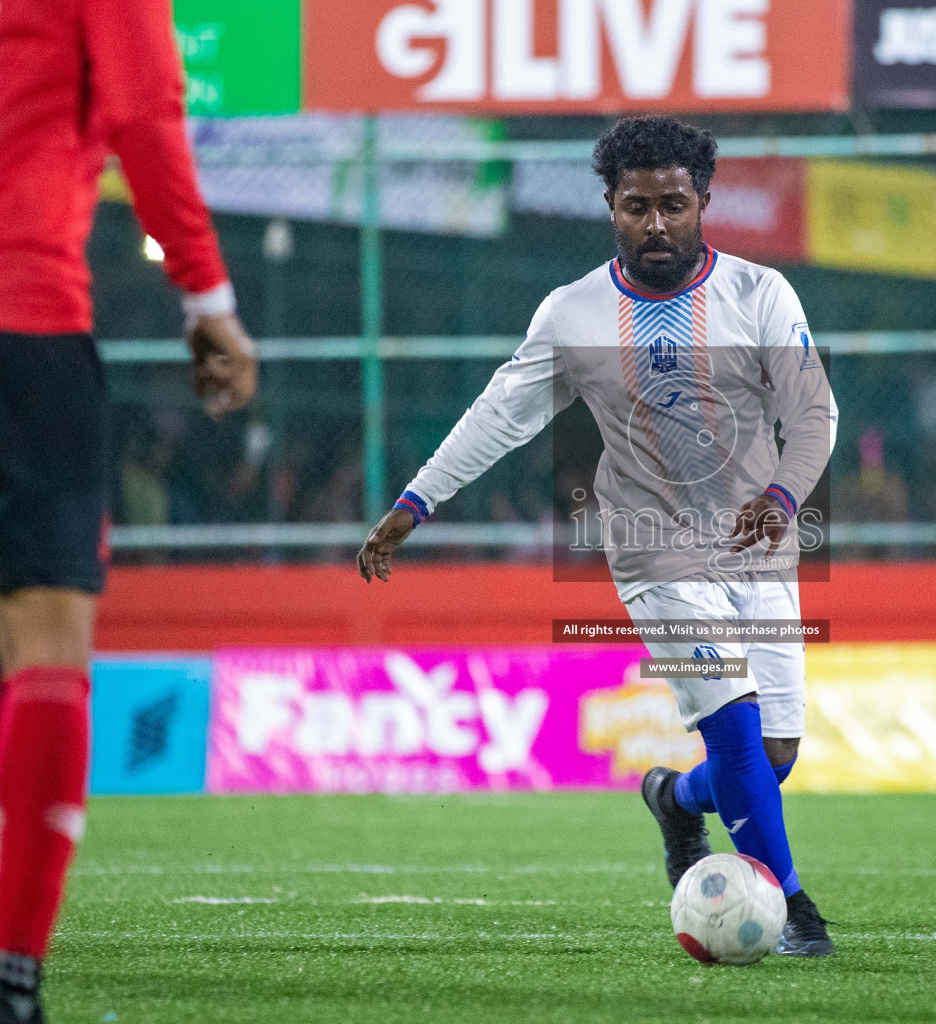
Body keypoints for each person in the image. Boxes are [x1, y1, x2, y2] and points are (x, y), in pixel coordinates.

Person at [359, 116, 838, 957]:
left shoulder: (761, 294)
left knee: (773, 752)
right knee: (732, 731)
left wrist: (782, 493)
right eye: (636, 206)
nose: (656, 223)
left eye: (673, 205)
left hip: (761, 544)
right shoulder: (574, 312)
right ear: (610, 208)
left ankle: (674, 800)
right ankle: (794, 911)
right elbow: (498, 415)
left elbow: (814, 413)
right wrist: (416, 501)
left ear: (704, 204)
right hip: (654, 550)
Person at [0, 0, 258, 1018]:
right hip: (18, 324)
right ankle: (12, 982)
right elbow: (147, 113)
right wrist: (208, 301)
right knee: (48, 654)